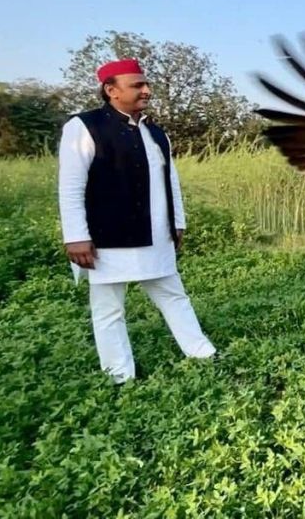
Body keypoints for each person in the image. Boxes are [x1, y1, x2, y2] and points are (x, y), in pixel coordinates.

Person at [57, 58, 216, 384]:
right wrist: (75, 236)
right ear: (111, 90)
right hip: (107, 236)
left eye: (146, 84)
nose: (147, 90)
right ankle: (119, 376)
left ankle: (202, 353)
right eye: (137, 85)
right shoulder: (84, 126)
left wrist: (178, 222)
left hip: (157, 232)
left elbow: (170, 180)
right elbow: (71, 186)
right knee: (109, 310)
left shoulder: (156, 132)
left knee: (174, 296)